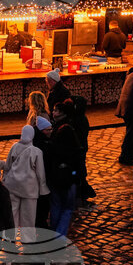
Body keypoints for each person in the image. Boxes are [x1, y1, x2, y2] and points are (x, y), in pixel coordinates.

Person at [2, 125, 49, 243]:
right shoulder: (36, 151)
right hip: (29, 188)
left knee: (12, 212)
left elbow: (7, 166)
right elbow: (40, 172)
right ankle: (27, 239)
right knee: (28, 215)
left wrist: (4, 180)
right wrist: (43, 189)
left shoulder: (14, 147)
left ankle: (9, 236)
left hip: (13, 185)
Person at [48, 100, 83, 236]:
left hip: (57, 177)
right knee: (67, 207)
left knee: (56, 205)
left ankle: (54, 232)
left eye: (55, 110)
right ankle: (60, 235)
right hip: (69, 178)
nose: (53, 112)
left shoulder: (57, 134)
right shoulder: (71, 135)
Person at [69, 95, 96, 201]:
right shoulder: (81, 118)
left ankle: (83, 190)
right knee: (80, 169)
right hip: (81, 148)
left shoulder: (78, 119)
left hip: (78, 149)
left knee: (79, 170)